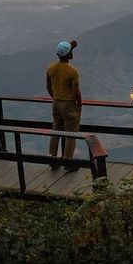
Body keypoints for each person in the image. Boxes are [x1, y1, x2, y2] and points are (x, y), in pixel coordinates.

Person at [46, 39, 82, 171]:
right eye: (71, 51)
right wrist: (79, 104)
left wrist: (55, 97)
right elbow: (76, 91)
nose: (72, 52)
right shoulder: (72, 71)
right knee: (71, 134)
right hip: (69, 105)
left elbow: (48, 87)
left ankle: (53, 159)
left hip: (56, 104)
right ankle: (68, 162)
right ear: (68, 55)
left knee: (55, 130)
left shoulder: (51, 68)